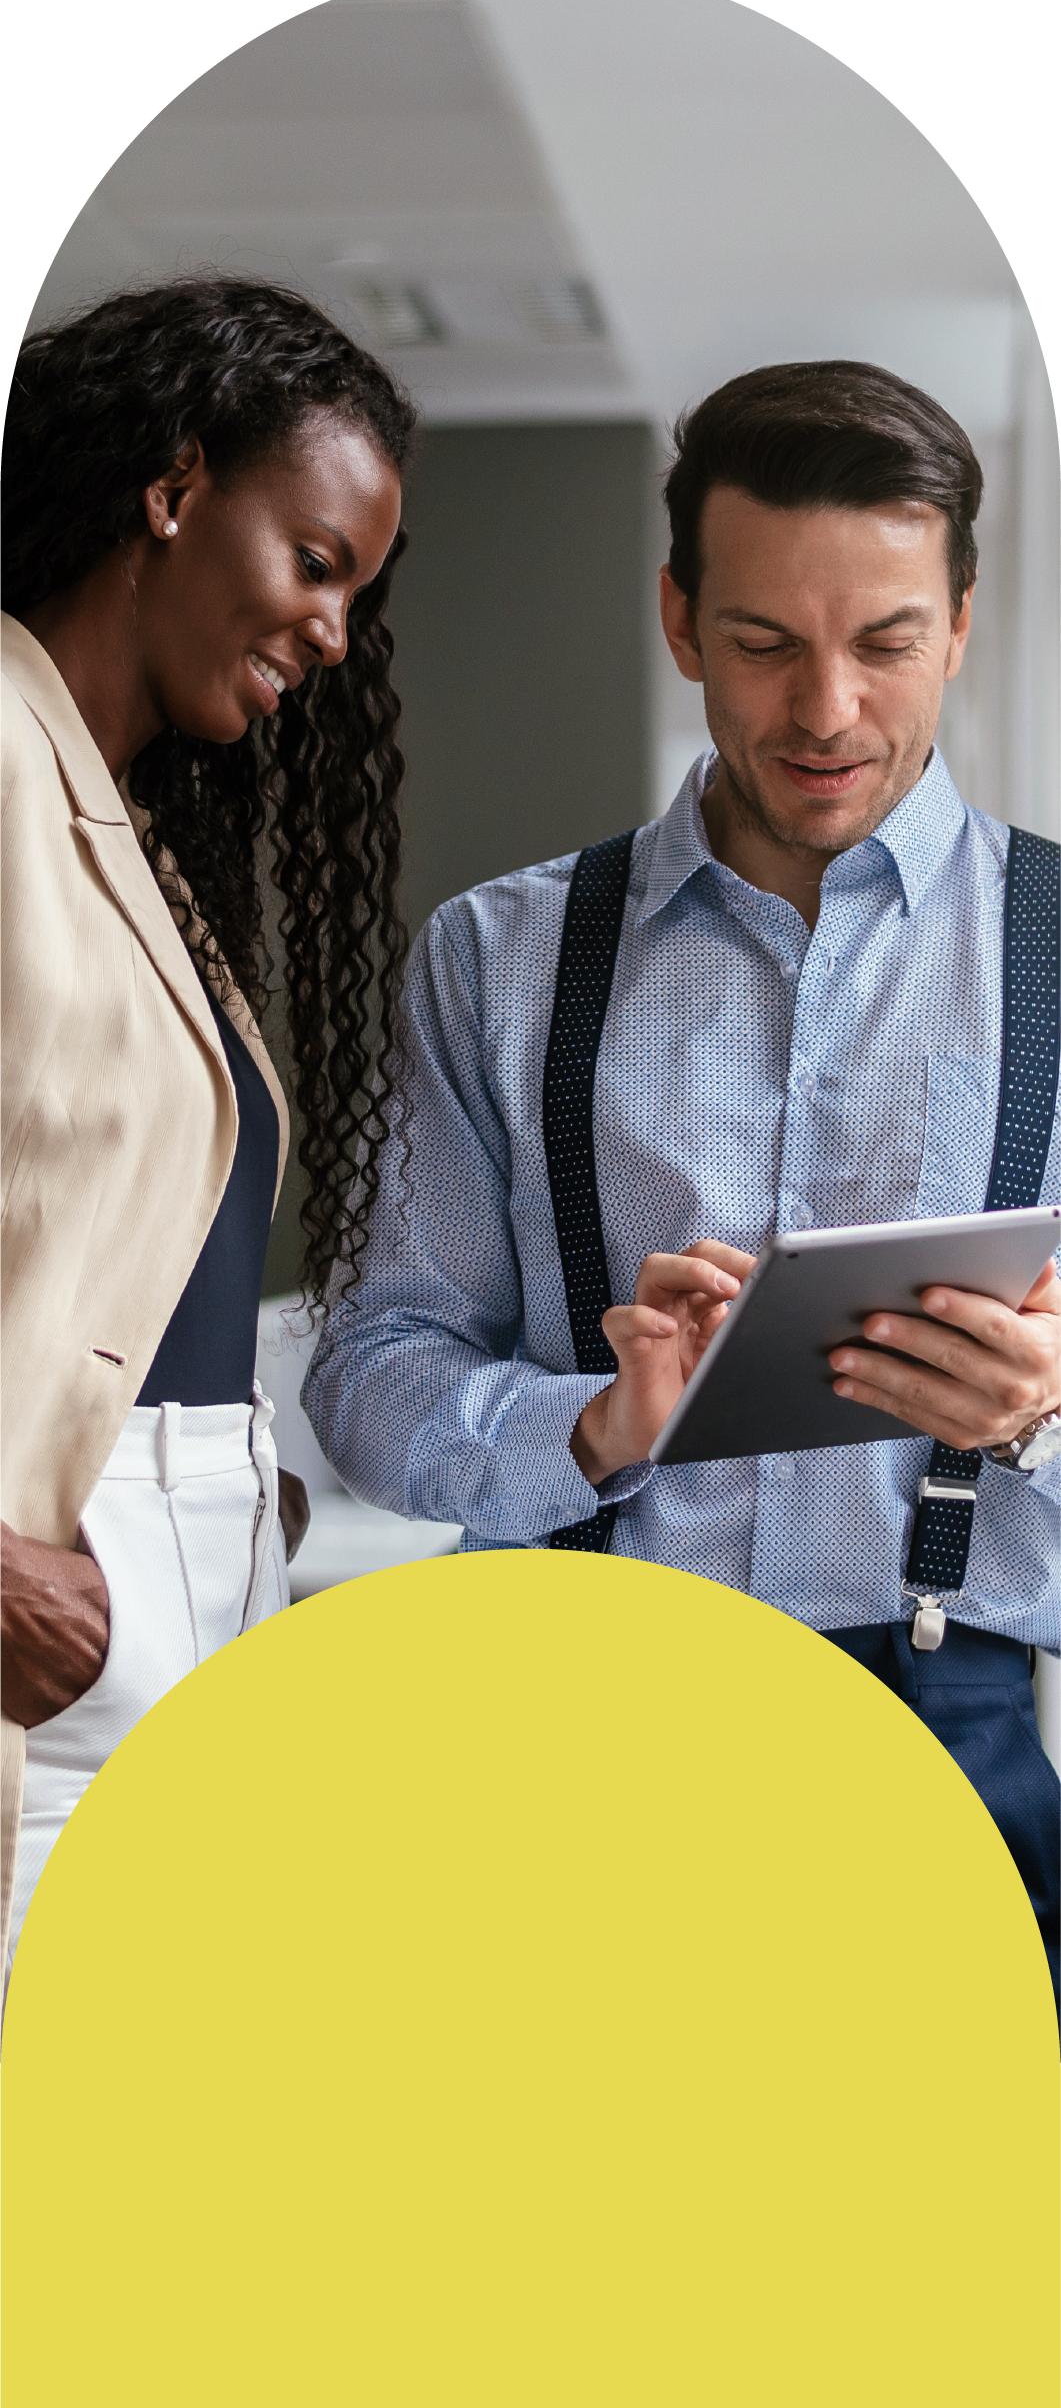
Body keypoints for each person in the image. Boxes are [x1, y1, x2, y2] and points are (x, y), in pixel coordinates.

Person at [305, 357, 1061, 2027]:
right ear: (677, 619)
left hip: (953, 1738)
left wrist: (1037, 1422)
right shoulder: (498, 959)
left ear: (961, 622)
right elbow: (369, 1375)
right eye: (764, 643)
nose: (826, 713)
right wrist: (593, 1427)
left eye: (885, 643)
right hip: (587, 1736)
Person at [0, 275, 414, 2005]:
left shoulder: (133, 827)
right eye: (315, 563)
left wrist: (228, 1489)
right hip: (46, 1636)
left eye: (354, 594)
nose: (332, 633)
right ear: (174, 489)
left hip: (208, 1596)